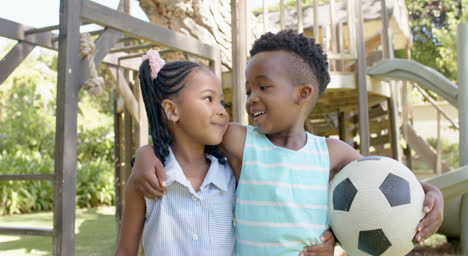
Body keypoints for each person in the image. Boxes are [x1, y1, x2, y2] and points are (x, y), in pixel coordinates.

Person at [131, 30, 444, 255]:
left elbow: (385, 183)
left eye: (263, 87)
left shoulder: (331, 153)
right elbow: (186, 131)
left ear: (302, 93)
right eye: (249, 90)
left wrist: (431, 193)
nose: (251, 99)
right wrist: (146, 153)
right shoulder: (240, 141)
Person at [115, 50, 236, 256]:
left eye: (221, 102)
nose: (222, 110)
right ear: (171, 111)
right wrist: (145, 152)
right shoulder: (145, 180)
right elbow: (126, 250)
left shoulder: (231, 172)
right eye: (208, 98)